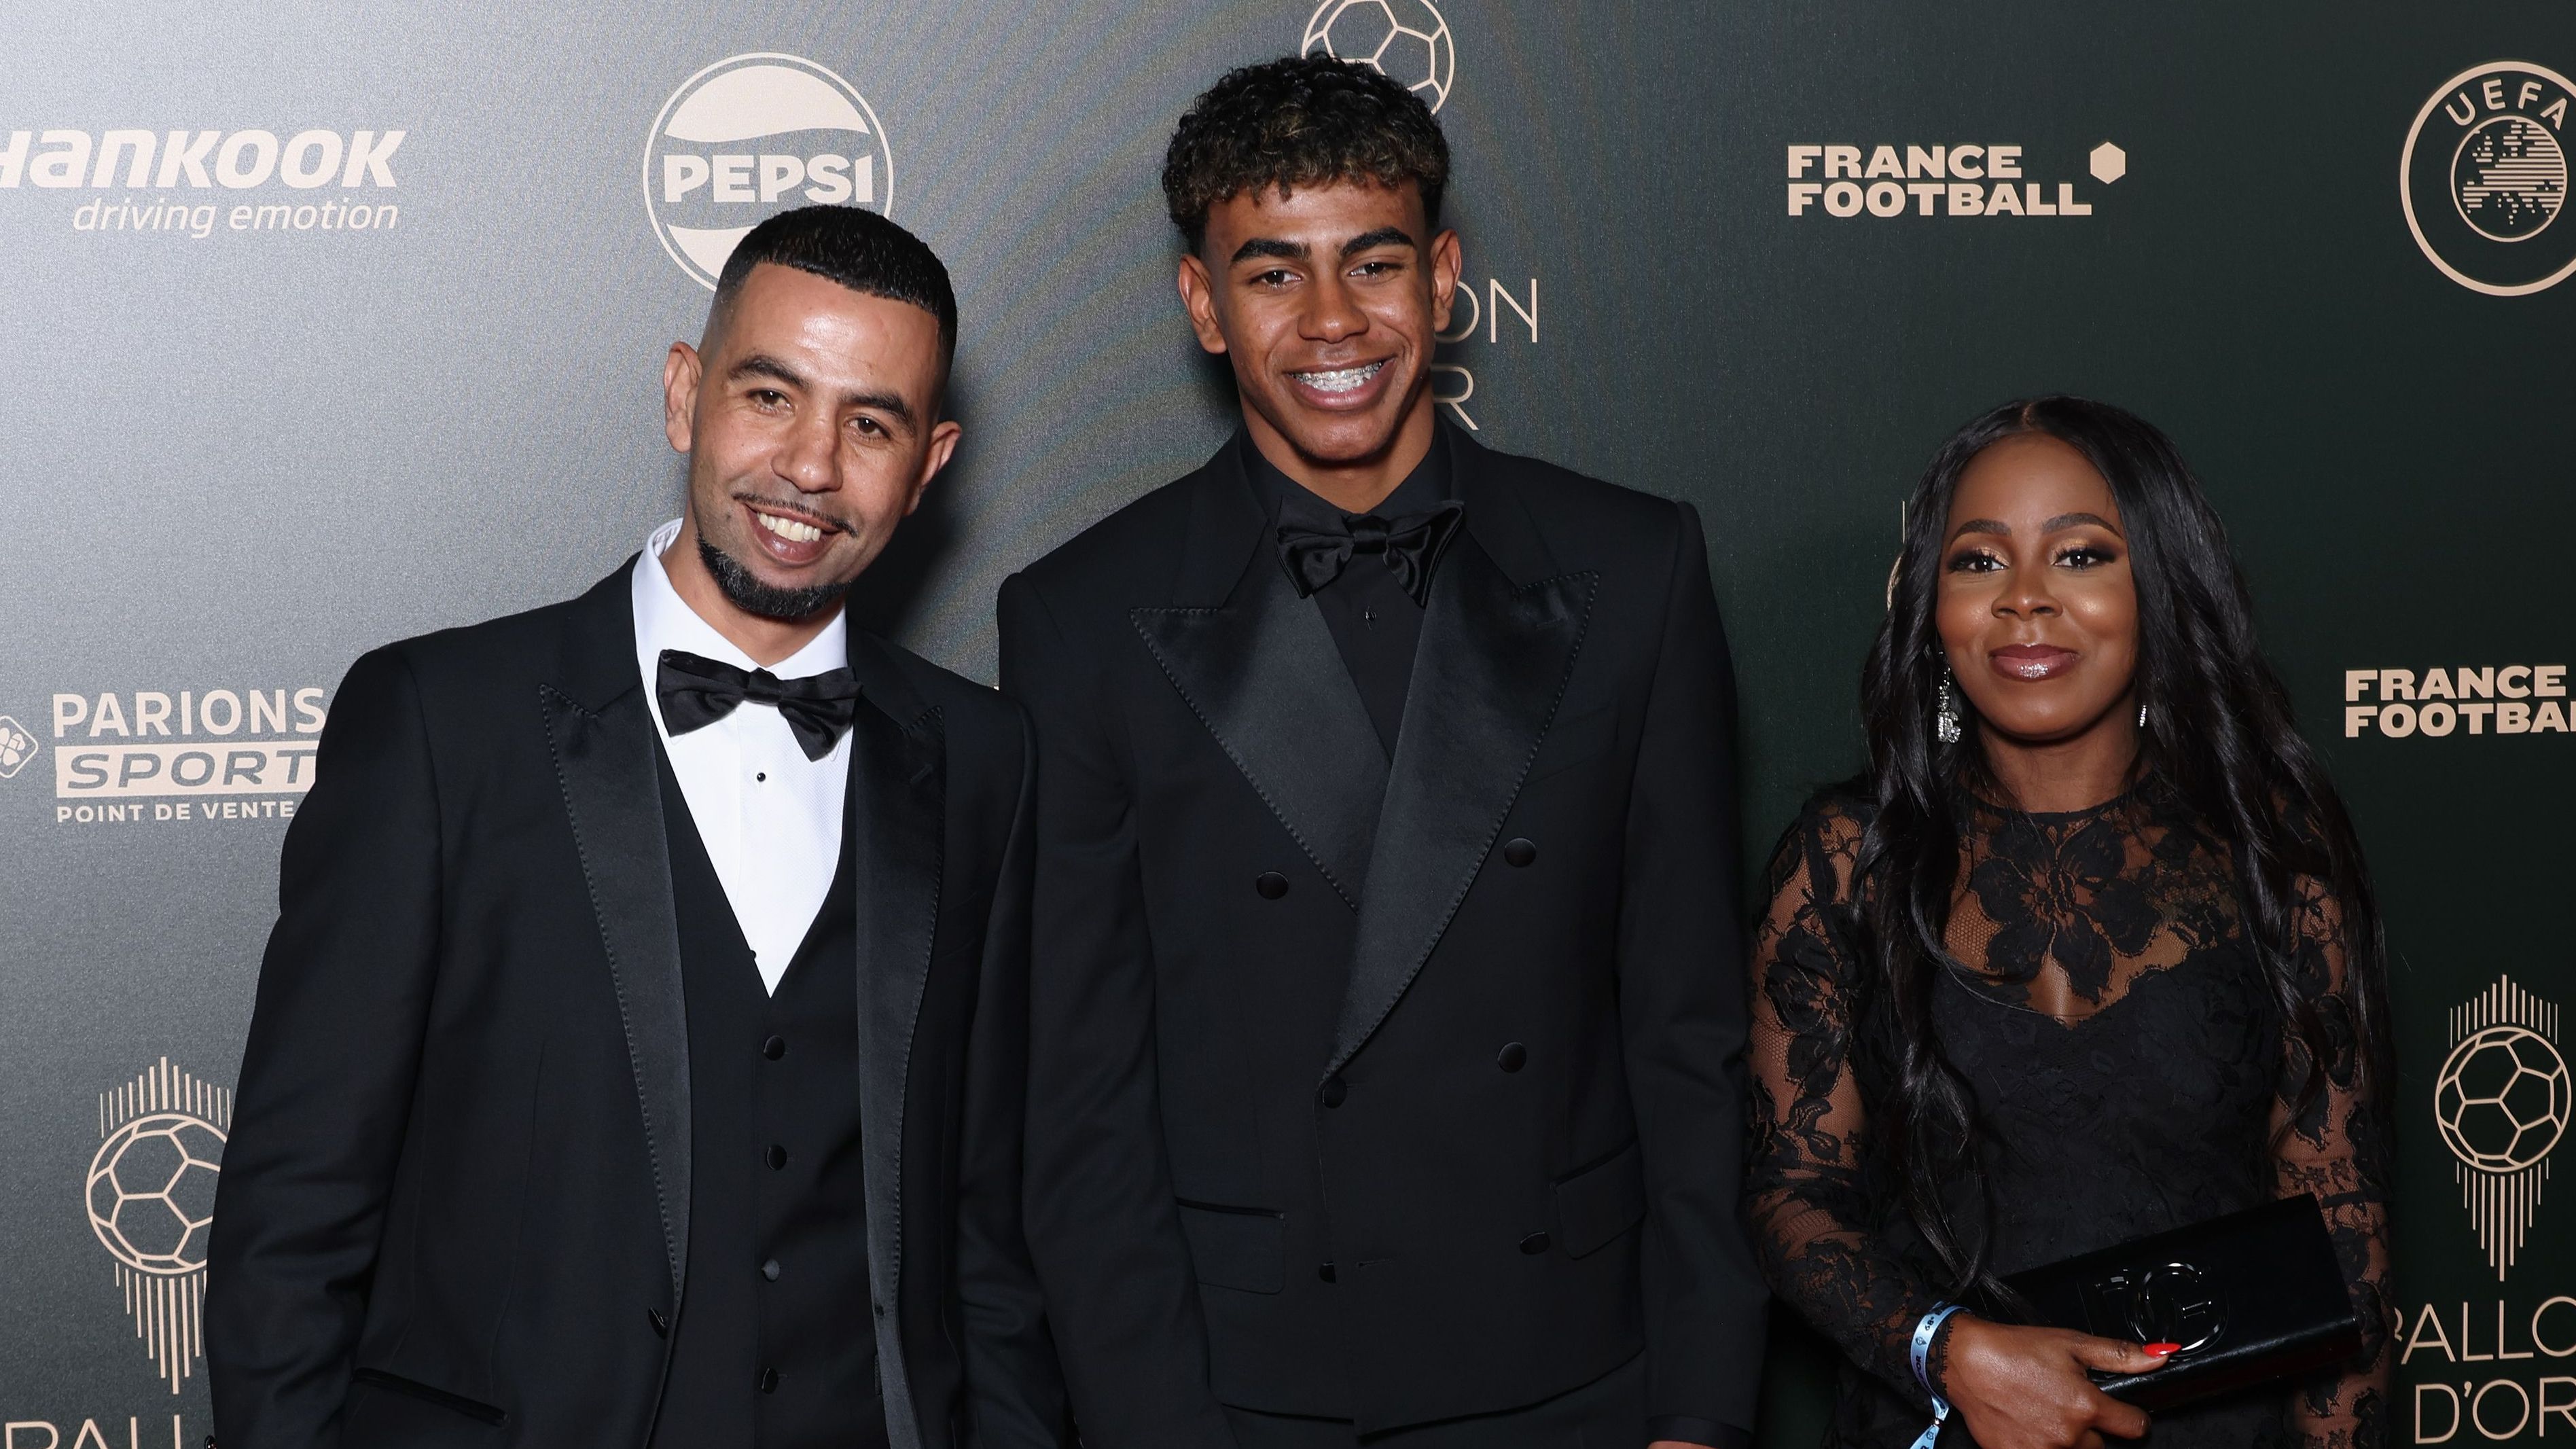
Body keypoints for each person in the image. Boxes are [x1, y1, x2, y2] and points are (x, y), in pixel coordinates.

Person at [1000, 56, 1767, 1449]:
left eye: (1374, 262)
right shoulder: (1079, 618)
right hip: (1258, 1392)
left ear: (1446, 275)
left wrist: (1705, 1404)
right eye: (1274, 273)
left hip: (1580, 1376)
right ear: (1204, 306)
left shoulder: (1634, 565)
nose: (1334, 320)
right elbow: (1081, 1110)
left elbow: (1691, 1028)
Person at [207, 207, 1065, 1449]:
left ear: (929, 464)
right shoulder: (442, 725)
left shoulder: (986, 759)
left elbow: (987, 1235)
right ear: (685, 393)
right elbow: (297, 1215)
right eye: (770, 396)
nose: (812, 466)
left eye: (868, 423)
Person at [1746, 397, 2394, 1449]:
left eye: (2082, 554)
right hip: (1945, 1425)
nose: (2025, 600)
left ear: (2159, 585)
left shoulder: (2276, 855)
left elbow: (2345, 1236)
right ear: (1932, 606)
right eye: (1979, 561)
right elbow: (1793, 1197)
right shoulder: (1843, 861)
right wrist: (1949, 1350)